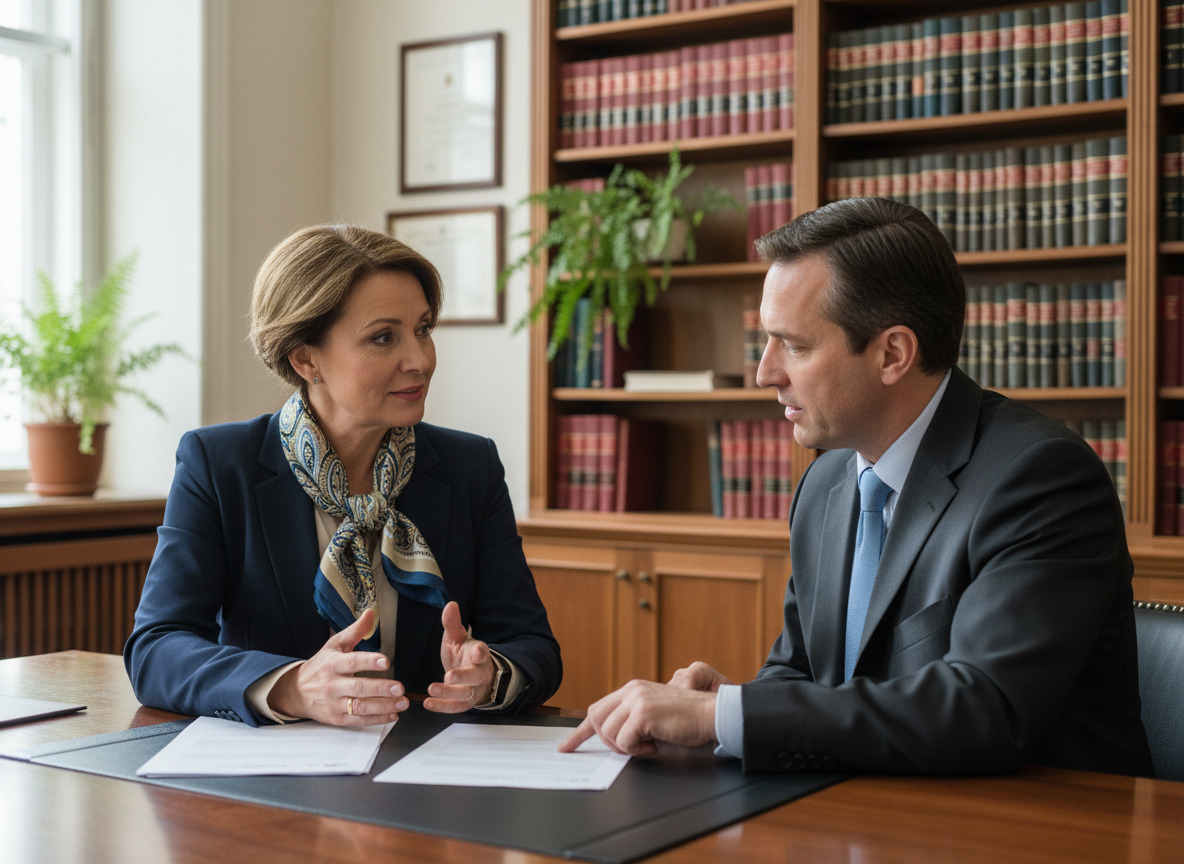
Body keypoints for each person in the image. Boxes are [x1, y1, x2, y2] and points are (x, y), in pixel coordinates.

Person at [560, 197, 1152, 777]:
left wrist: (727, 716)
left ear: (892, 352)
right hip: (868, 817)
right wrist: (730, 702)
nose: (766, 372)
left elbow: (982, 708)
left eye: (793, 344)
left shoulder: (1041, 477)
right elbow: (802, 676)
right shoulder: (826, 482)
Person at [125, 224, 561, 726]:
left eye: (423, 329)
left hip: (422, 774)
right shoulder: (221, 464)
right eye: (383, 337)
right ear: (306, 359)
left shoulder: (470, 466)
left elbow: (534, 648)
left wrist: (489, 676)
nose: (419, 360)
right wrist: (293, 686)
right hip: (271, 781)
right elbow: (156, 649)